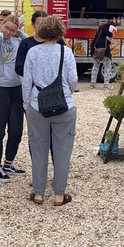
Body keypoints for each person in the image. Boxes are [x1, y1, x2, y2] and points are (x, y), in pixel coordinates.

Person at [22, 16, 78, 206]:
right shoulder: (66, 52)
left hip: (37, 106)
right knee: (63, 152)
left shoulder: (33, 52)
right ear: (60, 32)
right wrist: (67, 94)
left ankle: (38, 193)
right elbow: (73, 79)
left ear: (41, 31)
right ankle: (59, 195)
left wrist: (27, 104)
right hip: (63, 106)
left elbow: (27, 81)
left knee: (38, 150)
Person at [0, 17, 26, 183]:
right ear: (1, 25)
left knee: (16, 130)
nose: (9, 32)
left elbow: (30, 42)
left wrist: (19, 31)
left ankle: (9, 162)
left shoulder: (17, 41)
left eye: (12, 30)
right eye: (7, 28)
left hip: (16, 88)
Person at [15, 11, 49, 77]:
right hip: (33, 82)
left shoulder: (56, 42)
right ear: (33, 25)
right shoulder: (25, 43)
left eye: (45, 23)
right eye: (38, 24)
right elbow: (19, 67)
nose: (42, 26)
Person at [89, 19, 115, 86]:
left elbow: (94, 42)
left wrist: (92, 52)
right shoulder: (108, 32)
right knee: (107, 66)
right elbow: (108, 41)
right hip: (104, 52)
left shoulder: (99, 32)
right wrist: (112, 34)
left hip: (96, 51)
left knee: (95, 66)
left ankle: (92, 83)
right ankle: (106, 84)